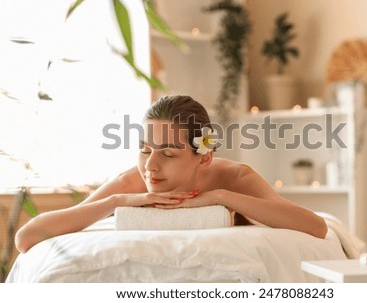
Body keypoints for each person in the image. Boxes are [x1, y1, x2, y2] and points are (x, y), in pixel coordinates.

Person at [15, 95, 327, 253]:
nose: (151, 166)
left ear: (202, 157)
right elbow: (26, 238)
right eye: (144, 149)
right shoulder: (131, 182)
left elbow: (315, 226)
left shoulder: (235, 178)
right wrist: (116, 201)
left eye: (168, 153)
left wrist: (219, 197)